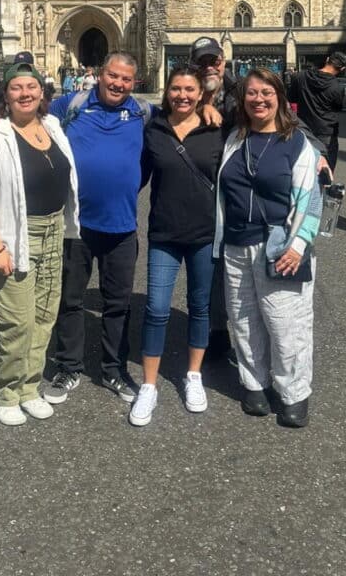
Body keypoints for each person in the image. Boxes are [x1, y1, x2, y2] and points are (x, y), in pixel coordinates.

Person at [0, 61, 80, 425]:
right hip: (16, 235)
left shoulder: (54, 127)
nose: (26, 94)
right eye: (17, 88)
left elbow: (106, 95)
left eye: (32, 87)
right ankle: (6, 390)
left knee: (44, 316)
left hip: (53, 231)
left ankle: (30, 386)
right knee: (15, 321)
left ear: (43, 92)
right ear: (5, 95)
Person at [215, 68, 322, 428]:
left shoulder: (296, 143)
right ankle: (254, 383)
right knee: (244, 319)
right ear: (242, 100)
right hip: (235, 244)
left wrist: (299, 245)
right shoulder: (234, 138)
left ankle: (294, 392)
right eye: (251, 94)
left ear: (279, 97)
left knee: (285, 323)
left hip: (281, 245)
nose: (258, 100)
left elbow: (311, 200)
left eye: (266, 93)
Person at [43, 52, 152, 405]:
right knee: (71, 300)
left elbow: (186, 117)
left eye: (126, 79)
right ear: (99, 75)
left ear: (134, 83)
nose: (118, 84)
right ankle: (69, 366)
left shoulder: (142, 112)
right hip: (77, 224)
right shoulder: (69, 104)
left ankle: (113, 369)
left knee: (117, 303)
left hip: (121, 225)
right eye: (113, 76)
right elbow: (28, 115)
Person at [130, 67, 225, 426]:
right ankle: (150, 385)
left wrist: (317, 153)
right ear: (166, 91)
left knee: (200, 307)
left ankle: (194, 376)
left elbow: (271, 129)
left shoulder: (218, 127)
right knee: (156, 309)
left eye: (189, 89)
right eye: (176, 89)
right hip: (164, 234)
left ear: (201, 94)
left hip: (204, 235)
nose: (182, 95)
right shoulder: (153, 128)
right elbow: (135, 176)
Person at [188, 37, 239, 361]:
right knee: (204, 265)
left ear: (223, 60)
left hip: (233, 191)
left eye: (214, 60)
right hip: (196, 192)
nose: (209, 66)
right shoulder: (183, 92)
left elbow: (276, 116)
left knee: (232, 266)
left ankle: (233, 334)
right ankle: (208, 329)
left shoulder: (241, 91)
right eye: (202, 62)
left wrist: (314, 149)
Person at [285, 52, 346, 170]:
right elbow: (337, 107)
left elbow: (291, 99)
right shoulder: (337, 87)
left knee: (302, 166)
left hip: (303, 128)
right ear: (342, 68)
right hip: (326, 131)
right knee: (325, 169)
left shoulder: (300, 77)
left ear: (327, 59)